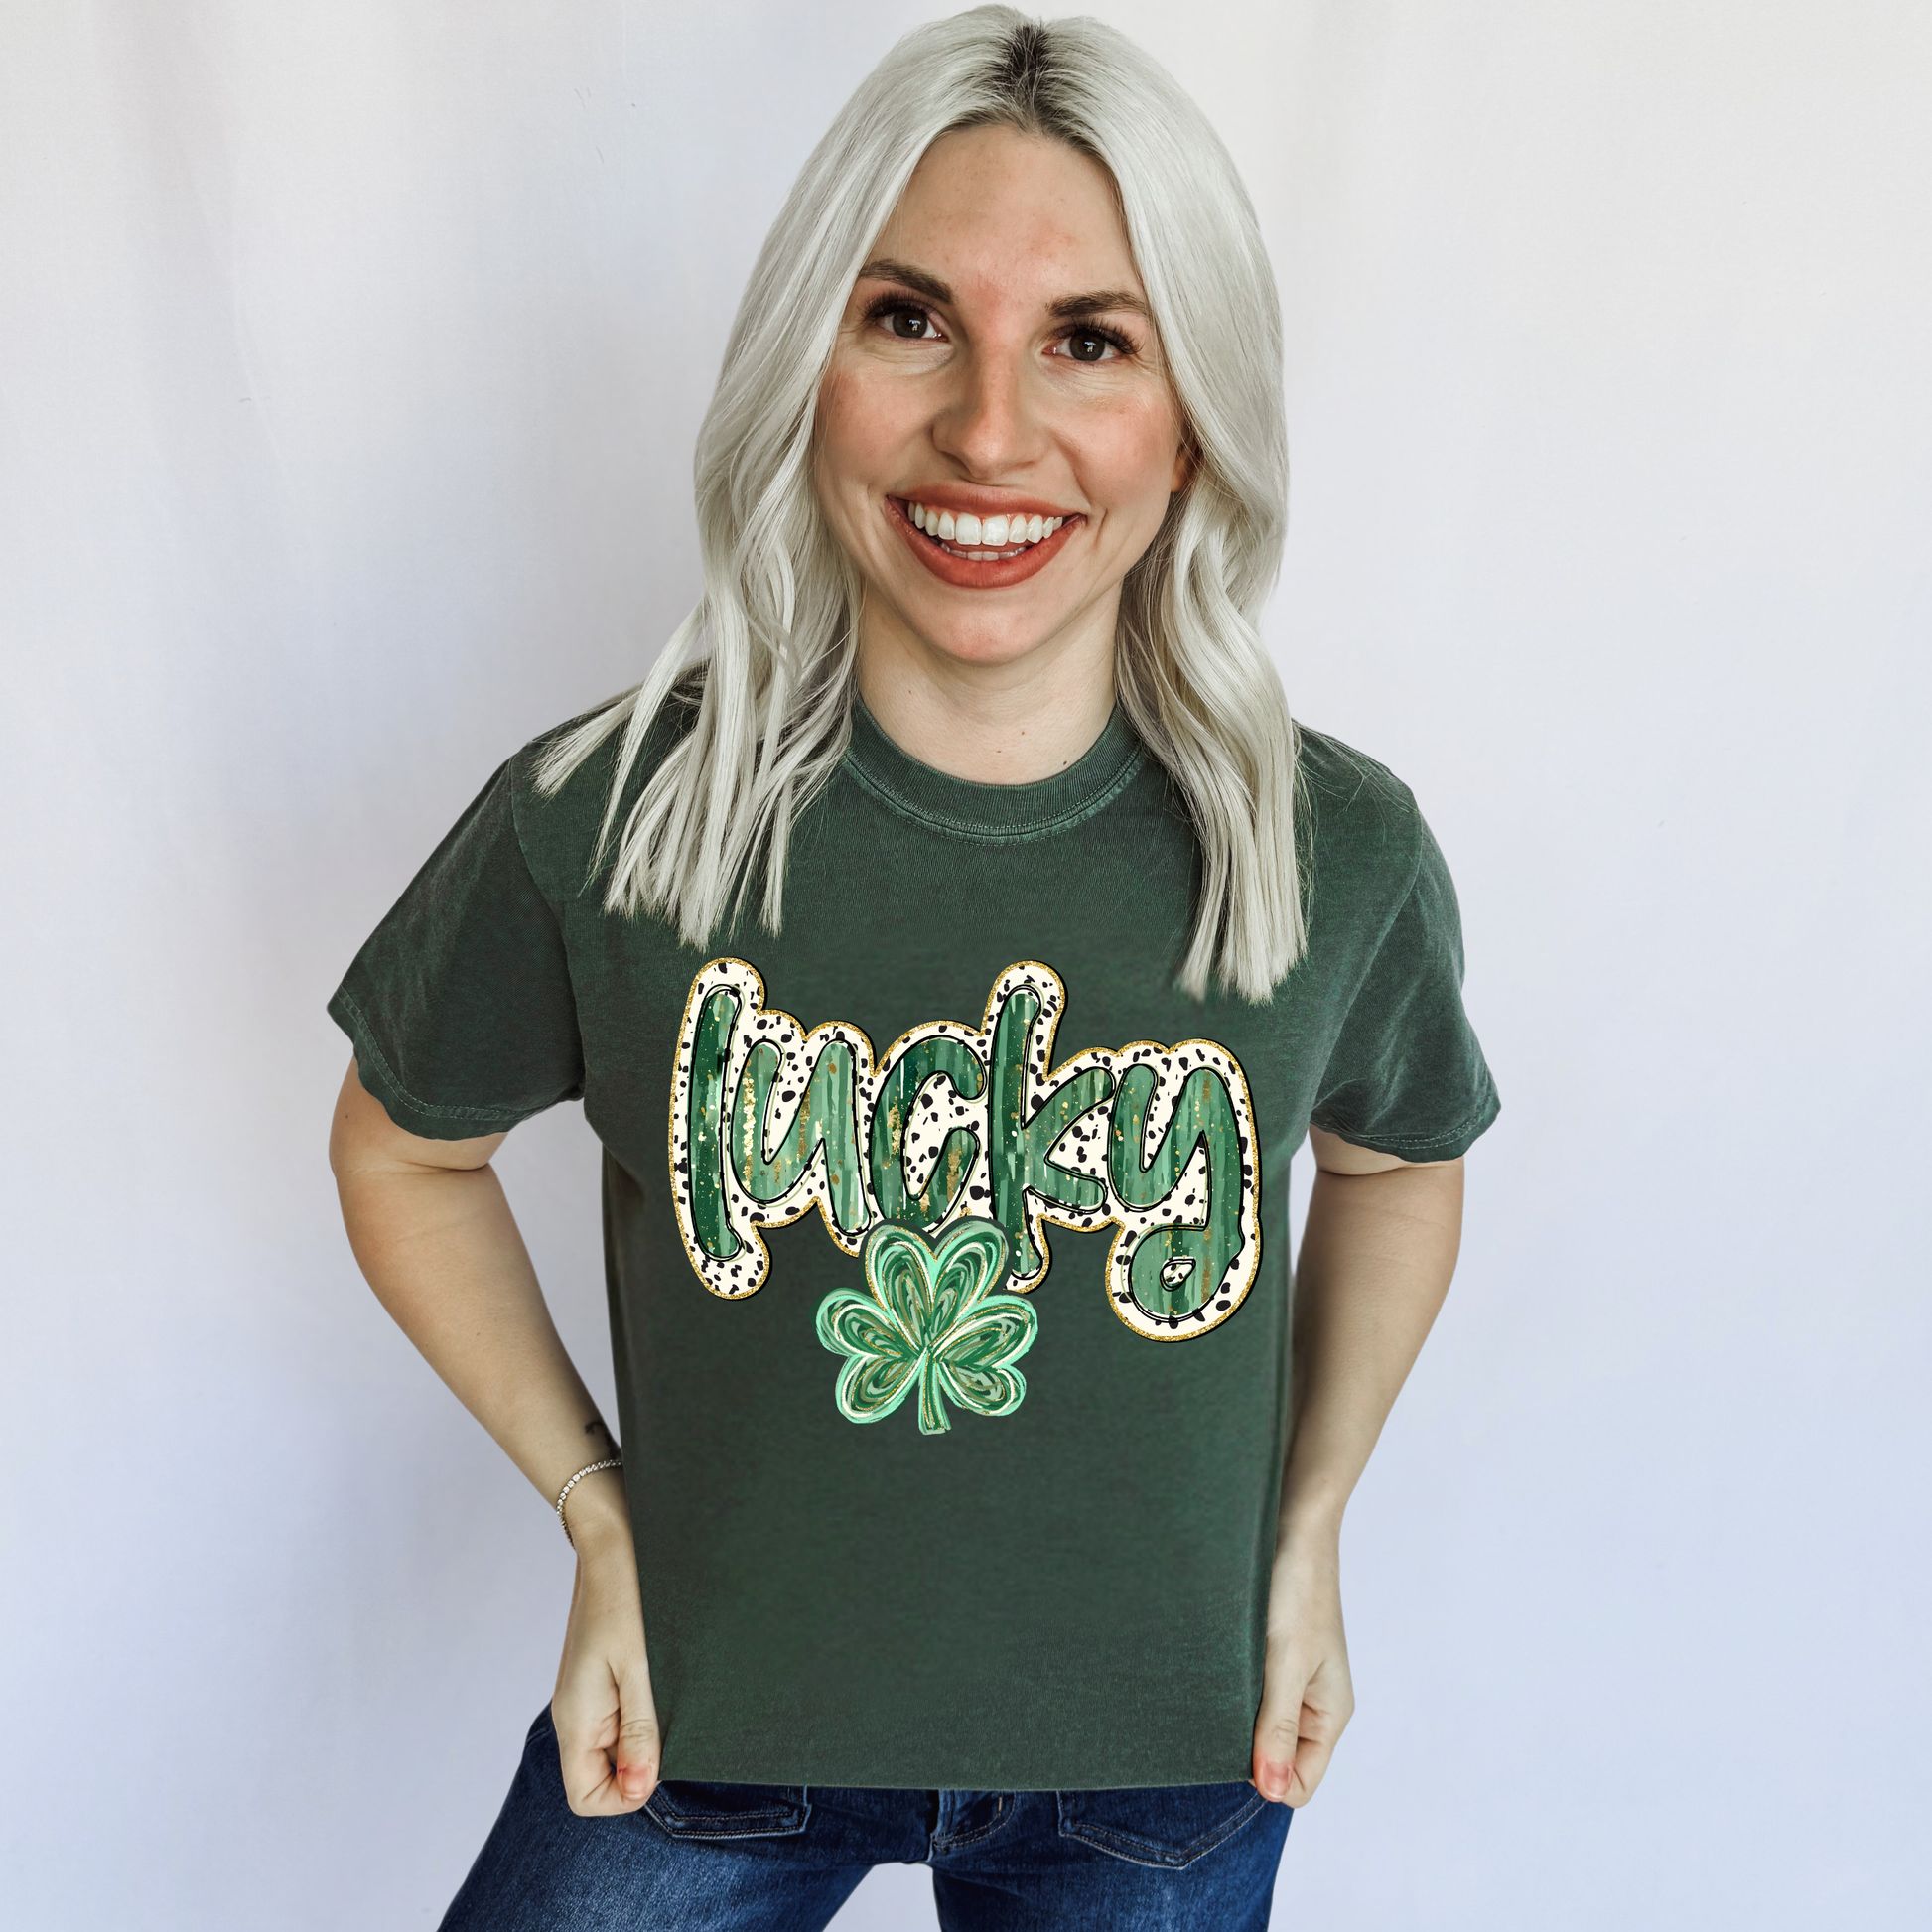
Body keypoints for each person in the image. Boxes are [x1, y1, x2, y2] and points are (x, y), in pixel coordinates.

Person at [327, 9, 1497, 1927]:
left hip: (1162, 1757)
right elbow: (400, 1145)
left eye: (1090, 340)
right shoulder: (609, 820)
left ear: (1192, 417)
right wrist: (593, 1505)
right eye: (908, 319)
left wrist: (1309, 1525)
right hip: (698, 1727)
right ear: (810, 364)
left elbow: (1397, 1164)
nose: (988, 432)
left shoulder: (1329, 848)